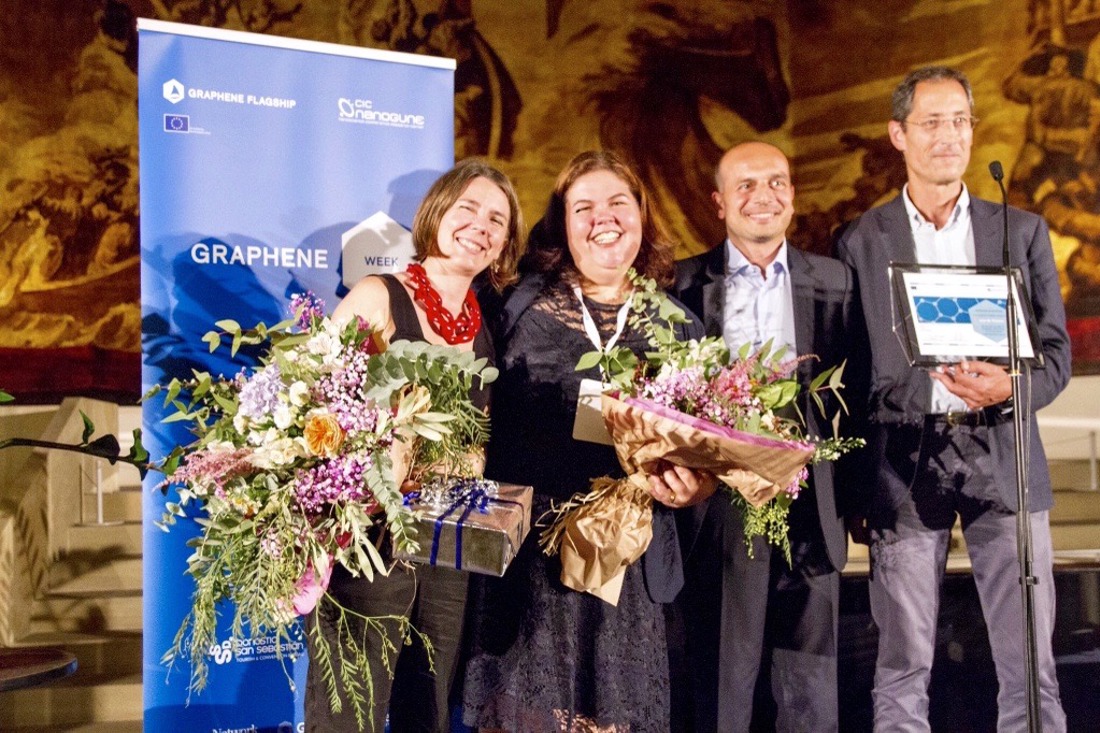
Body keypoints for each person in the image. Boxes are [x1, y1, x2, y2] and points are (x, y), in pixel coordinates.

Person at [835, 66, 1071, 732]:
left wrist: (1011, 386)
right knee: (903, 665)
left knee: (1031, 667)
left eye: (960, 120)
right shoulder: (861, 240)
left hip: (1005, 461)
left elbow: (1056, 358)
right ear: (898, 133)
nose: (950, 136)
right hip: (906, 466)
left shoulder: (1019, 231)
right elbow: (854, 372)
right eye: (932, 122)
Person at [460, 150, 712, 732]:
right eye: (585, 207)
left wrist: (694, 486)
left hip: (628, 565)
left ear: (642, 217)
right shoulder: (516, 306)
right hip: (528, 559)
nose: (604, 218)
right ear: (563, 223)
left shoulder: (680, 326)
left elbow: (704, 453)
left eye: (619, 203)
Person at [305, 158, 526, 733]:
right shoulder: (378, 296)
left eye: (497, 220)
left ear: (504, 244)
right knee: (346, 712)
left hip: (448, 544)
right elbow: (311, 407)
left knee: (426, 711)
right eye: (468, 209)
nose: (481, 226)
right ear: (435, 214)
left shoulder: (485, 322)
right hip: (369, 539)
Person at [671, 141, 865, 733]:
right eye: (747, 185)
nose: (765, 197)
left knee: (810, 694)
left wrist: (856, 503)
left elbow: (859, 395)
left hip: (815, 508)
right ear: (720, 203)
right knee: (725, 685)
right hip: (722, 509)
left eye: (777, 182)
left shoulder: (836, 280)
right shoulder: (680, 285)